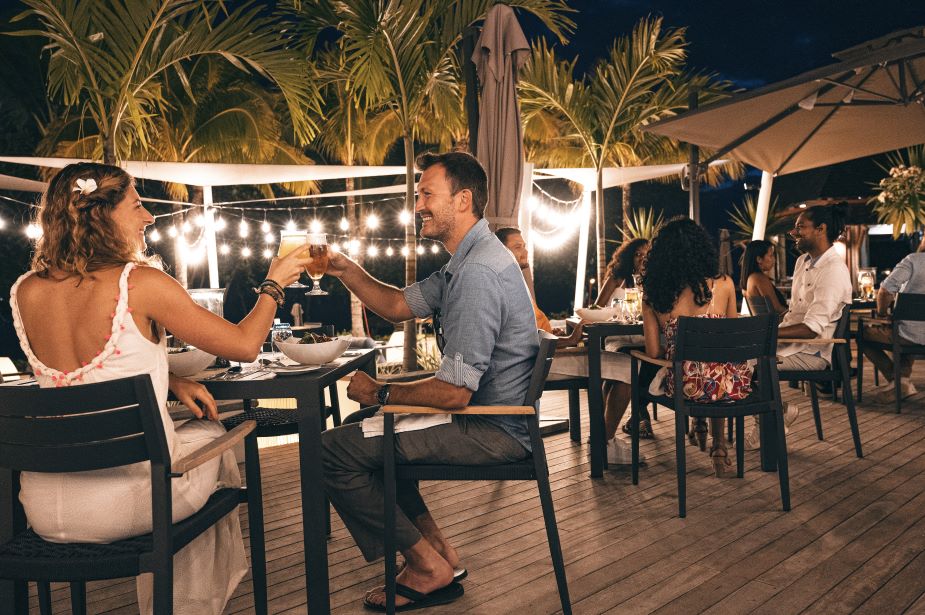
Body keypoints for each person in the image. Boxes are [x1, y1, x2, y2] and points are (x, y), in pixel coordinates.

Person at [9, 162, 310, 615]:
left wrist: (171, 379)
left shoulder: (25, 291)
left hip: (46, 508)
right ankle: (184, 606)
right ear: (102, 215)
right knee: (214, 435)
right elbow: (246, 346)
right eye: (137, 204)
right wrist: (275, 282)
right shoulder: (142, 283)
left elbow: (81, 375)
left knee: (191, 433)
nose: (149, 216)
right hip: (131, 503)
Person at [321, 151, 538, 611]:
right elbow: (399, 304)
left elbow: (455, 393)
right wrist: (344, 269)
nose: (417, 204)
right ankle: (440, 552)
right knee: (369, 429)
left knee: (332, 450)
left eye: (426, 195)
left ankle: (425, 566)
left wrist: (382, 392)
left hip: (492, 429)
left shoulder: (478, 272)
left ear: (462, 200)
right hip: (489, 418)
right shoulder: (467, 260)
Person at [640, 218, 748, 477]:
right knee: (716, 364)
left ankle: (695, 422)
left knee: (687, 368)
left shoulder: (653, 293)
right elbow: (731, 338)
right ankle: (719, 446)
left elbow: (654, 352)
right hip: (730, 384)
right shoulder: (724, 284)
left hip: (684, 386)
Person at [740, 205, 853, 449]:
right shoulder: (803, 261)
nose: (793, 232)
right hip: (789, 345)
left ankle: (768, 424)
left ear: (820, 230)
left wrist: (766, 334)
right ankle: (777, 414)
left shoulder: (833, 270)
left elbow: (812, 328)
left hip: (813, 351)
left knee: (741, 366)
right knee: (732, 359)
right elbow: (792, 314)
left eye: (800, 227)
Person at [862, 235, 925, 403]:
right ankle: (901, 380)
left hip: (908, 334)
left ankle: (898, 380)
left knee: (863, 335)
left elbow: (885, 291)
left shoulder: (914, 260)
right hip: (912, 333)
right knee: (905, 328)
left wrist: (882, 315)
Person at [495, 226, 583, 347]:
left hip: (547, 348)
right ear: (501, 252)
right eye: (517, 247)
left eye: (524, 246)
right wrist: (570, 340)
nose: (525, 252)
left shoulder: (515, 283)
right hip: (540, 358)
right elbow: (522, 340)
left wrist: (550, 334)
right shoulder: (504, 287)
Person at [595, 238, 650, 307]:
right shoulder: (616, 278)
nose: (642, 258)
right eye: (638, 254)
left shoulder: (651, 285)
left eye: (646, 255)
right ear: (630, 257)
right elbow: (596, 308)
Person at [741, 239, 788, 315]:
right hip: (774, 325)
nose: (774, 259)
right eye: (771, 255)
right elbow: (777, 308)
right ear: (759, 259)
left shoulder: (750, 278)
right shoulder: (759, 278)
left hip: (763, 324)